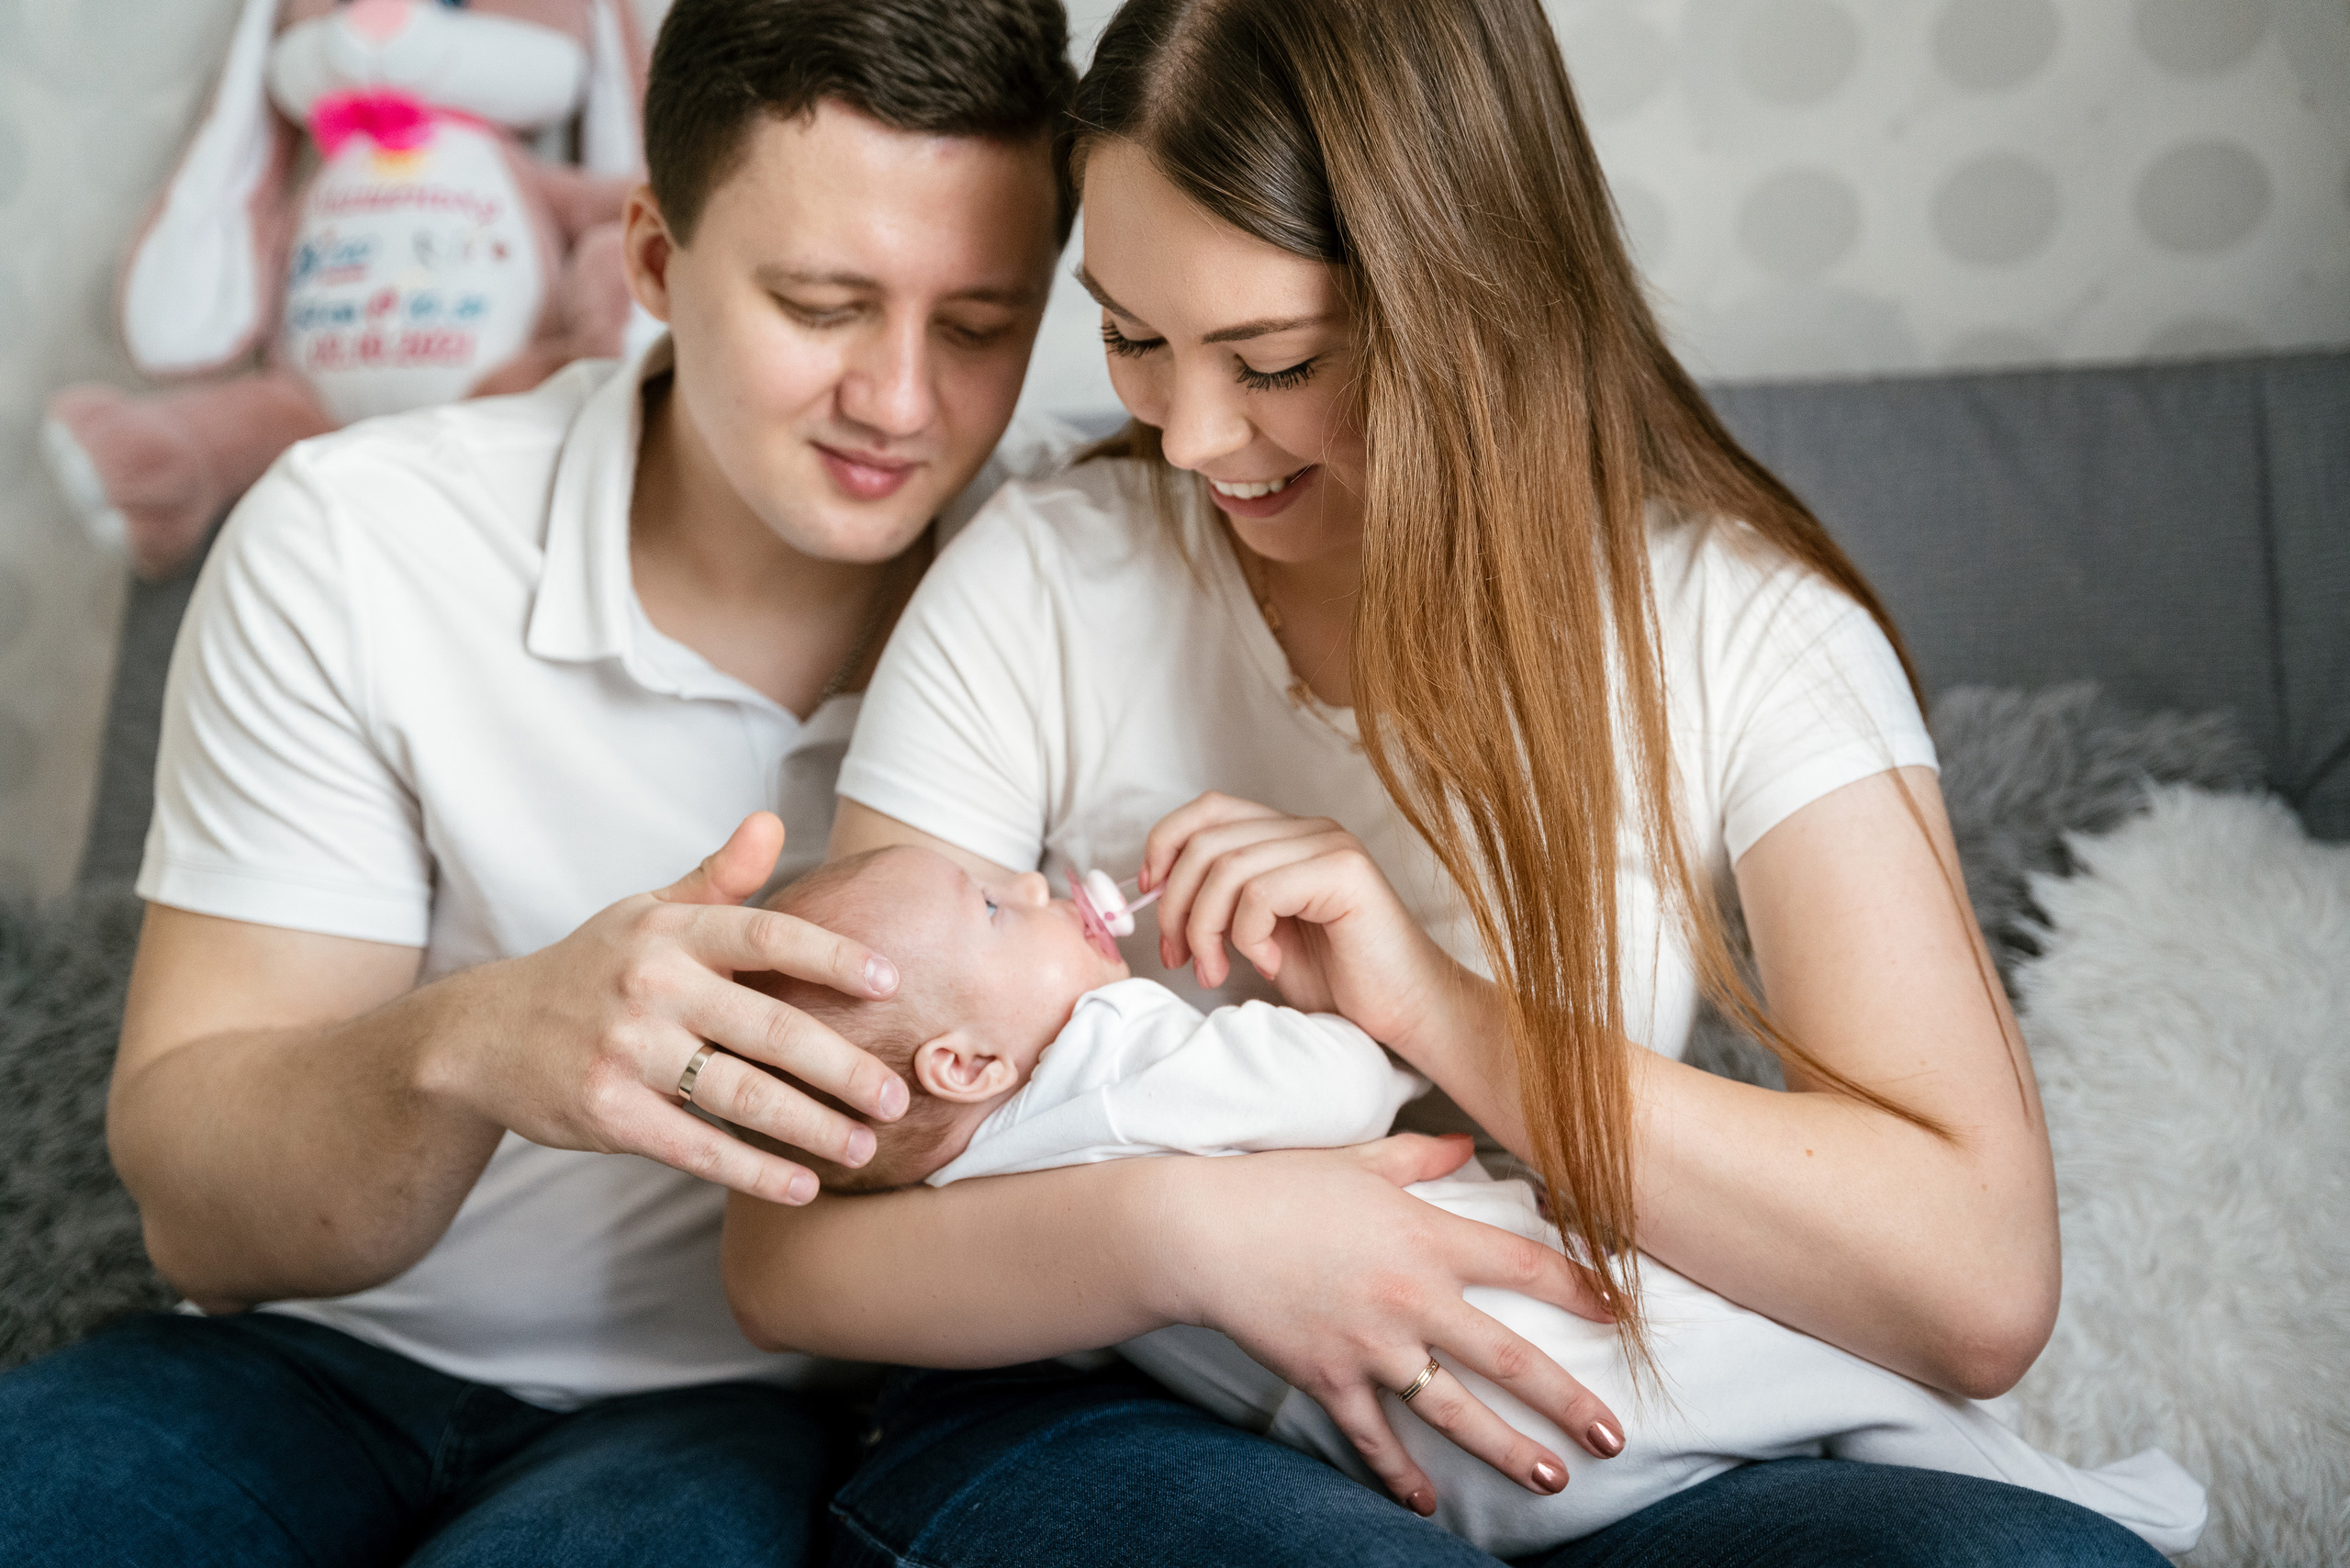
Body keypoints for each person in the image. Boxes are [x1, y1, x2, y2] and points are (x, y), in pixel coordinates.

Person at [722, 1, 2178, 1562]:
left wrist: (1428, 1005)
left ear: (1474, 305)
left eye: (1275, 361)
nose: (1191, 436)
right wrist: (1195, 1237)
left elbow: (1976, 1294)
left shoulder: (1744, 632)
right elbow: (787, 1254)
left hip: (1581, 1433)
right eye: (1132, 338)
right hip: (1116, 1395)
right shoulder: (1045, 583)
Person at [0, 2, 1081, 1562]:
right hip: (312, 1356)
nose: (901, 402)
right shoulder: (359, 539)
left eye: (979, 326)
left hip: (739, 1416)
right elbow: (200, 1219)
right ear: (650, 258)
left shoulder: (1089, 569)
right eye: (821, 305)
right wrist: (477, 1044)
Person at [747, 843, 2204, 1557]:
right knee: (1785, 1359)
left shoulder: (968, 1152)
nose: (1028, 878)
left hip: (1394, 1445)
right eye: (994, 907)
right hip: (1499, 1342)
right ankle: (2065, 1491)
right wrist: (1324, 1015)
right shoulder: (1106, 1055)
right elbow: (1328, 1094)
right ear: (959, 1058)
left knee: (1778, 1399)